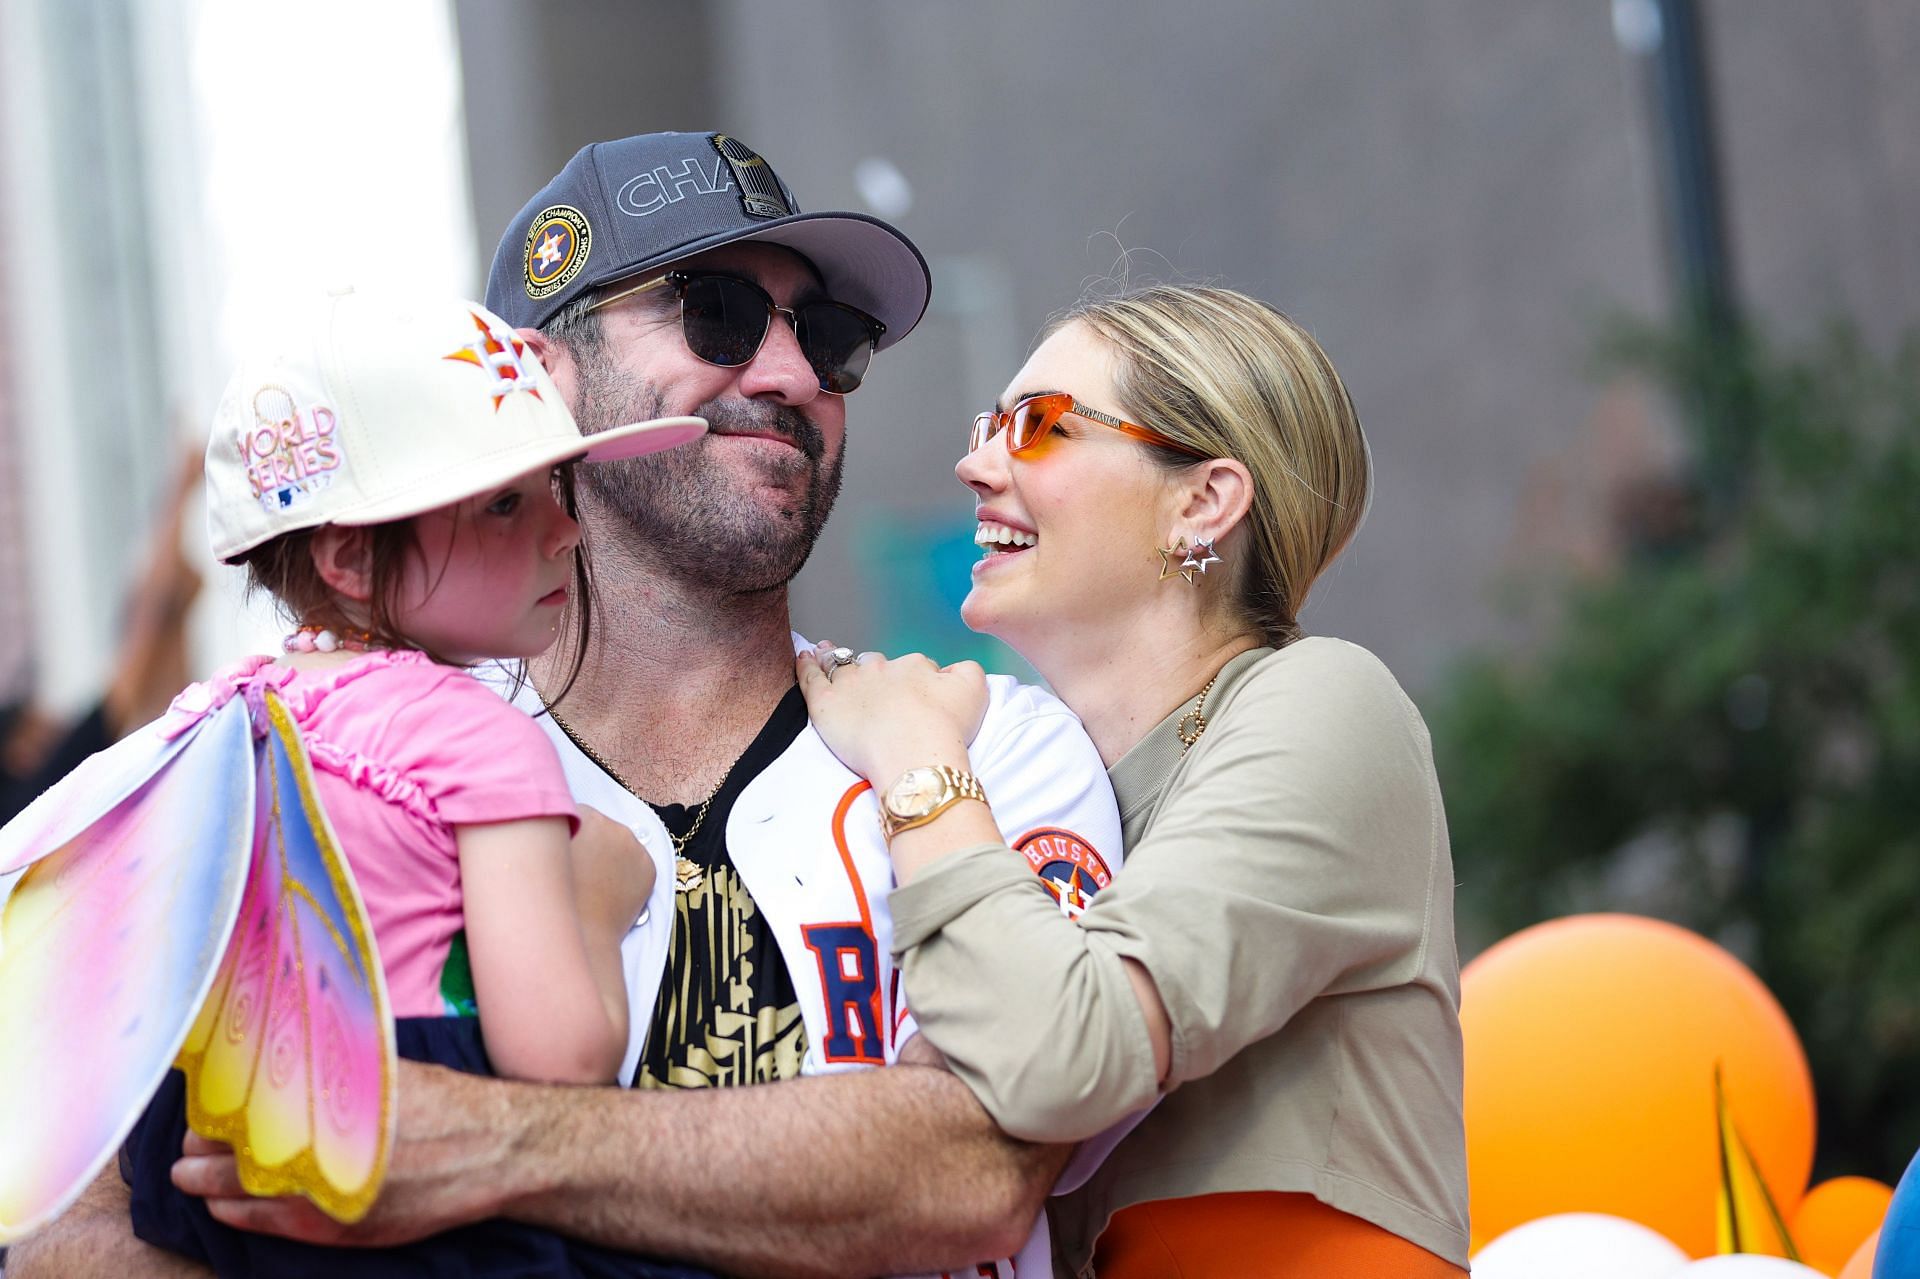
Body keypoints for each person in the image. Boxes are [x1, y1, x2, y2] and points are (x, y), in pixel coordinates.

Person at [7, 133, 1120, 1279]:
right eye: (717, 313)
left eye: (831, 340)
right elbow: (76, 1225)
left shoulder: (987, 744)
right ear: (540, 376)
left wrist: (486, 1140)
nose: (794, 377)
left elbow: (973, 1172)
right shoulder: (324, 758)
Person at [795, 286, 1472, 1277]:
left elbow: (1066, 1054)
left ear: (1202, 500)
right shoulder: (1041, 784)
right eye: (988, 426)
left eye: (1034, 427)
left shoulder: (1331, 701)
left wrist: (912, 753)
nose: (975, 463)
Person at [110, 288, 711, 1277]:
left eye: (555, 488)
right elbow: (556, 1060)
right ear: (348, 554)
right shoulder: (476, 738)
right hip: (411, 1174)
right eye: (504, 505)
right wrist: (598, 897)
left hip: (201, 1174)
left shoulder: (203, 724)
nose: (565, 531)